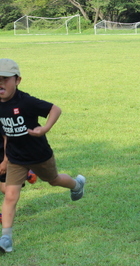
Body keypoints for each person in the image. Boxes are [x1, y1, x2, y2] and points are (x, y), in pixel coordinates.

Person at [0, 58, 86, 253]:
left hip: (39, 155)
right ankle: (6, 239)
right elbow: (5, 133)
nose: (0, 83)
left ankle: (76, 184)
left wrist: (45, 128)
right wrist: (5, 158)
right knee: (11, 196)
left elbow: (55, 109)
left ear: (17, 80)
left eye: (5, 78)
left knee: (53, 180)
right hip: (16, 158)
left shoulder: (26, 101)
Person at [0, 133, 37, 224]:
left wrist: (5, 160)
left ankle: (26, 171)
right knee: (5, 189)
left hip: (4, 154)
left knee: (9, 190)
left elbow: (7, 138)